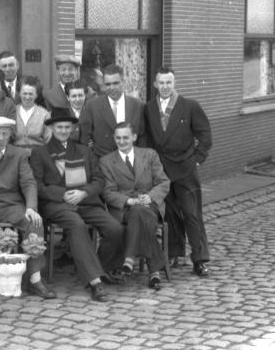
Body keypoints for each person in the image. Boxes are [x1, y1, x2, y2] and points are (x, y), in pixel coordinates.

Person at [29, 107, 125, 302]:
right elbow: (37, 185)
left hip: (86, 201)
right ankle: (95, 282)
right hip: (57, 205)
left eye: (67, 127)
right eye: (59, 127)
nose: (63, 131)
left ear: (72, 128)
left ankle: (99, 267)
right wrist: (63, 194)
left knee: (115, 229)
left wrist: (84, 192)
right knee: (77, 225)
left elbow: (99, 180)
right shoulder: (40, 153)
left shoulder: (84, 151)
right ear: (52, 128)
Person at [0, 116, 56, 299]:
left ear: (10, 135)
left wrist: (31, 207)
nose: (0, 137)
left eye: (5, 134)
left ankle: (35, 279)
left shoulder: (19, 154)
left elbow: (29, 182)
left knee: (34, 223)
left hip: (11, 202)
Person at [144, 67, 212, 276]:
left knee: (192, 214)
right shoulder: (149, 108)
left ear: (174, 83)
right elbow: (148, 138)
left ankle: (200, 259)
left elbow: (205, 134)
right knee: (170, 215)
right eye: (161, 83)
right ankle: (175, 254)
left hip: (185, 169)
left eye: (169, 83)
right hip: (163, 171)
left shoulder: (189, 106)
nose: (165, 87)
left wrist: (197, 160)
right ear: (155, 84)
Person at [99, 122, 170, 290]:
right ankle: (155, 271)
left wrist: (150, 196)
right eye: (118, 138)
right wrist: (128, 201)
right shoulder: (106, 161)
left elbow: (163, 181)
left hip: (149, 205)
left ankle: (129, 258)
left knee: (140, 211)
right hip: (124, 208)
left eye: (125, 137)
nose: (122, 141)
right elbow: (107, 192)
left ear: (134, 137)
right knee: (138, 212)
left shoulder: (150, 154)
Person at [79, 64, 145, 158]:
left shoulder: (138, 106)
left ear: (123, 82)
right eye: (108, 84)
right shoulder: (92, 105)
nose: (112, 87)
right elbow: (84, 139)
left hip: (131, 164)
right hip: (101, 164)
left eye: (115, 83)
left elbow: (142, 138)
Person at [14, 75, 52, 151]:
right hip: (16, 156)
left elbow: (49, 140)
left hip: (37, 155)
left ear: (36, 95)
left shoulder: (44, 114)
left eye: (31, 94)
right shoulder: (12, 112)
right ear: (19, 93)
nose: (27, 97)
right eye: (24, 93)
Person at [65, 79, 90, 144]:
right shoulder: (61, 114)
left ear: (85, 95)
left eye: (80, 95)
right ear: (67, 97)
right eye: (74, 96)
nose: (77, 99)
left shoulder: (91, 112)